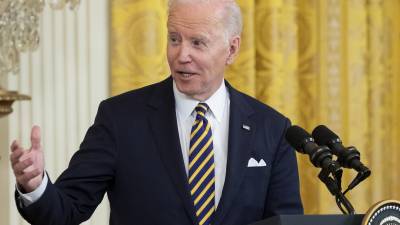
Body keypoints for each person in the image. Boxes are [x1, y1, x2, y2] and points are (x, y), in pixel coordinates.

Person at [10, 0, 303, 224]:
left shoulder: (273, 129)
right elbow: (67, 209)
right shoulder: (120, 119)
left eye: (197, 42)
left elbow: (285, 220)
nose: (181, 54)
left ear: (231, 49)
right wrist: (35, 186)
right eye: (174, 39)